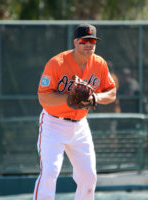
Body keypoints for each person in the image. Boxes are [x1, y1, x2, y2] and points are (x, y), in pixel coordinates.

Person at [34, 24, 116, 200]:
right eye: (84, 40)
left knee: (89, 176)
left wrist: (95, 98)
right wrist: (69, 99)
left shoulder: (99, 63)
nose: (89, 44)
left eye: (92, 41)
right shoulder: (57, 63)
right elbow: (43, 98)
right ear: (75, 42)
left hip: (80, 126)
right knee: (50, 172)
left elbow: (112, 93)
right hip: (53, 123)